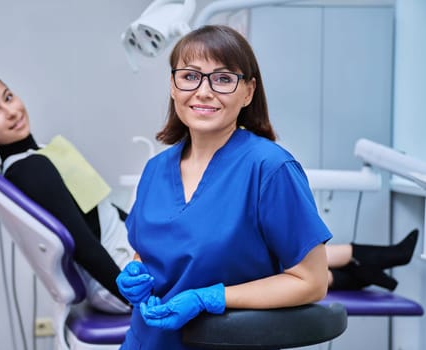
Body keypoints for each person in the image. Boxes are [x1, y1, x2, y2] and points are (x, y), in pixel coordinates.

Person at [116, 24, 332, 350]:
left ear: (248, 91)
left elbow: (311, 282)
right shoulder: (155, 170)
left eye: (223, 79)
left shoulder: (270, 169)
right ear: (173, 86)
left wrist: (212, 297)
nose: (203, 91)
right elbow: (146, 251)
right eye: (190, 76)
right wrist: (134, 272)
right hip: (145, 342)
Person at [0, 73, 134, 314]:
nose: (12, 112)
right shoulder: (29, 169)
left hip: (125, 258)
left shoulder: (38, 155)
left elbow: (101, 208)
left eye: (8, 97)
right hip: (121, 274)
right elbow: (83, 244)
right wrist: (135, 298)